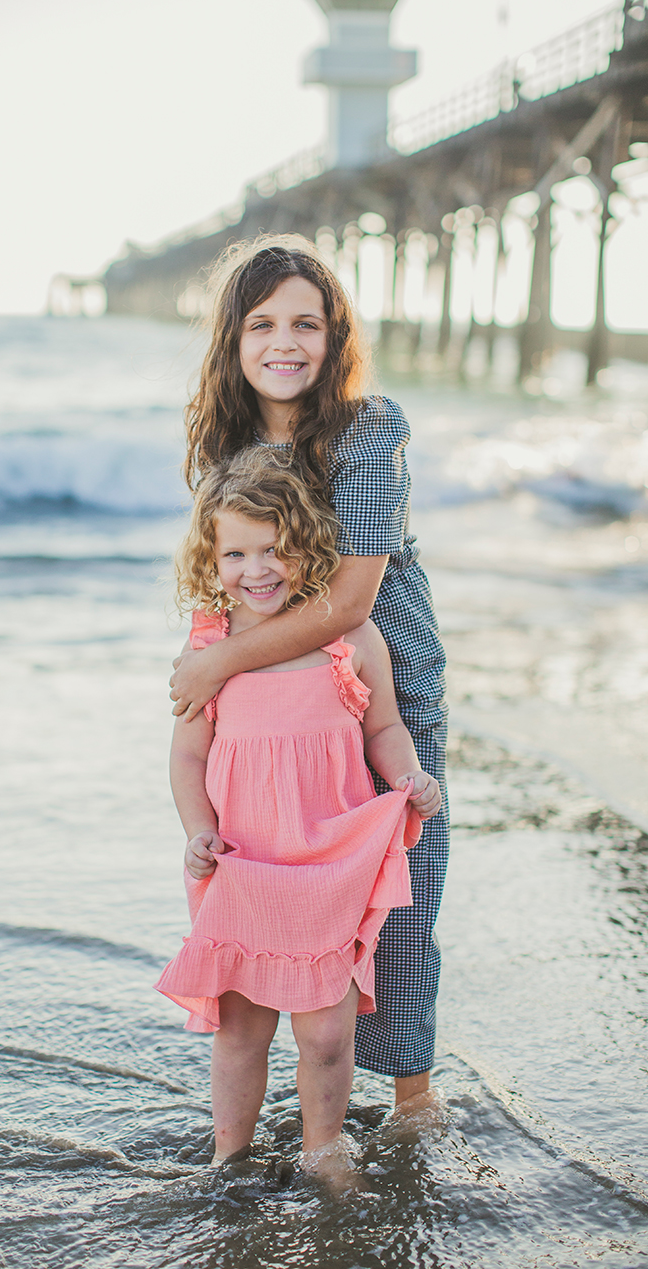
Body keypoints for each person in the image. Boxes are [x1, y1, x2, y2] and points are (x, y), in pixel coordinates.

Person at [168, 236, 449, 1117]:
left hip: (381, 687)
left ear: (334, 337)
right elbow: (228, 574)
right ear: (233, 338)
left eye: (306, 323)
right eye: (262, 323)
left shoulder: (367, 430)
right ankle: (300, 1097)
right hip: (273, 713)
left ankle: (409, 1105)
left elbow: (351, 600)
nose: (284, 342)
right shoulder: (230, 442)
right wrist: (215, 668)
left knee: (395, 911)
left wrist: (214, 663)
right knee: (274, 898)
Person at [156, 451, 441, 1185]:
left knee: (324, 1031)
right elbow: (187, 757)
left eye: (275, 547)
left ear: (308, 544)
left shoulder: (350, 639)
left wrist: (409, 774)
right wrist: (197, 830)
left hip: (328, 862)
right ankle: (229, 1153)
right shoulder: (212, 651)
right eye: (236, 552)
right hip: (244, 860)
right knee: (242, 1028)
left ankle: (323, 1150)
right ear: (210, 557)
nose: (258, 568)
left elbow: (383, 727)